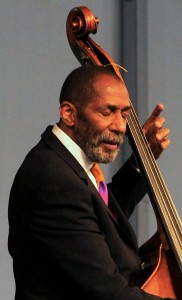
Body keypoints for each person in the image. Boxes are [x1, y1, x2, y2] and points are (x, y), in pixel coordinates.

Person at [8, 65, 174, 300]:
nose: (120, 127)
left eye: (124, 115)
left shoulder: (67, 165)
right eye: (107, 112)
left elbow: (101, 218)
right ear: (69, 114)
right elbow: (109, 293)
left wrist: (139, 164)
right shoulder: (55, 181)